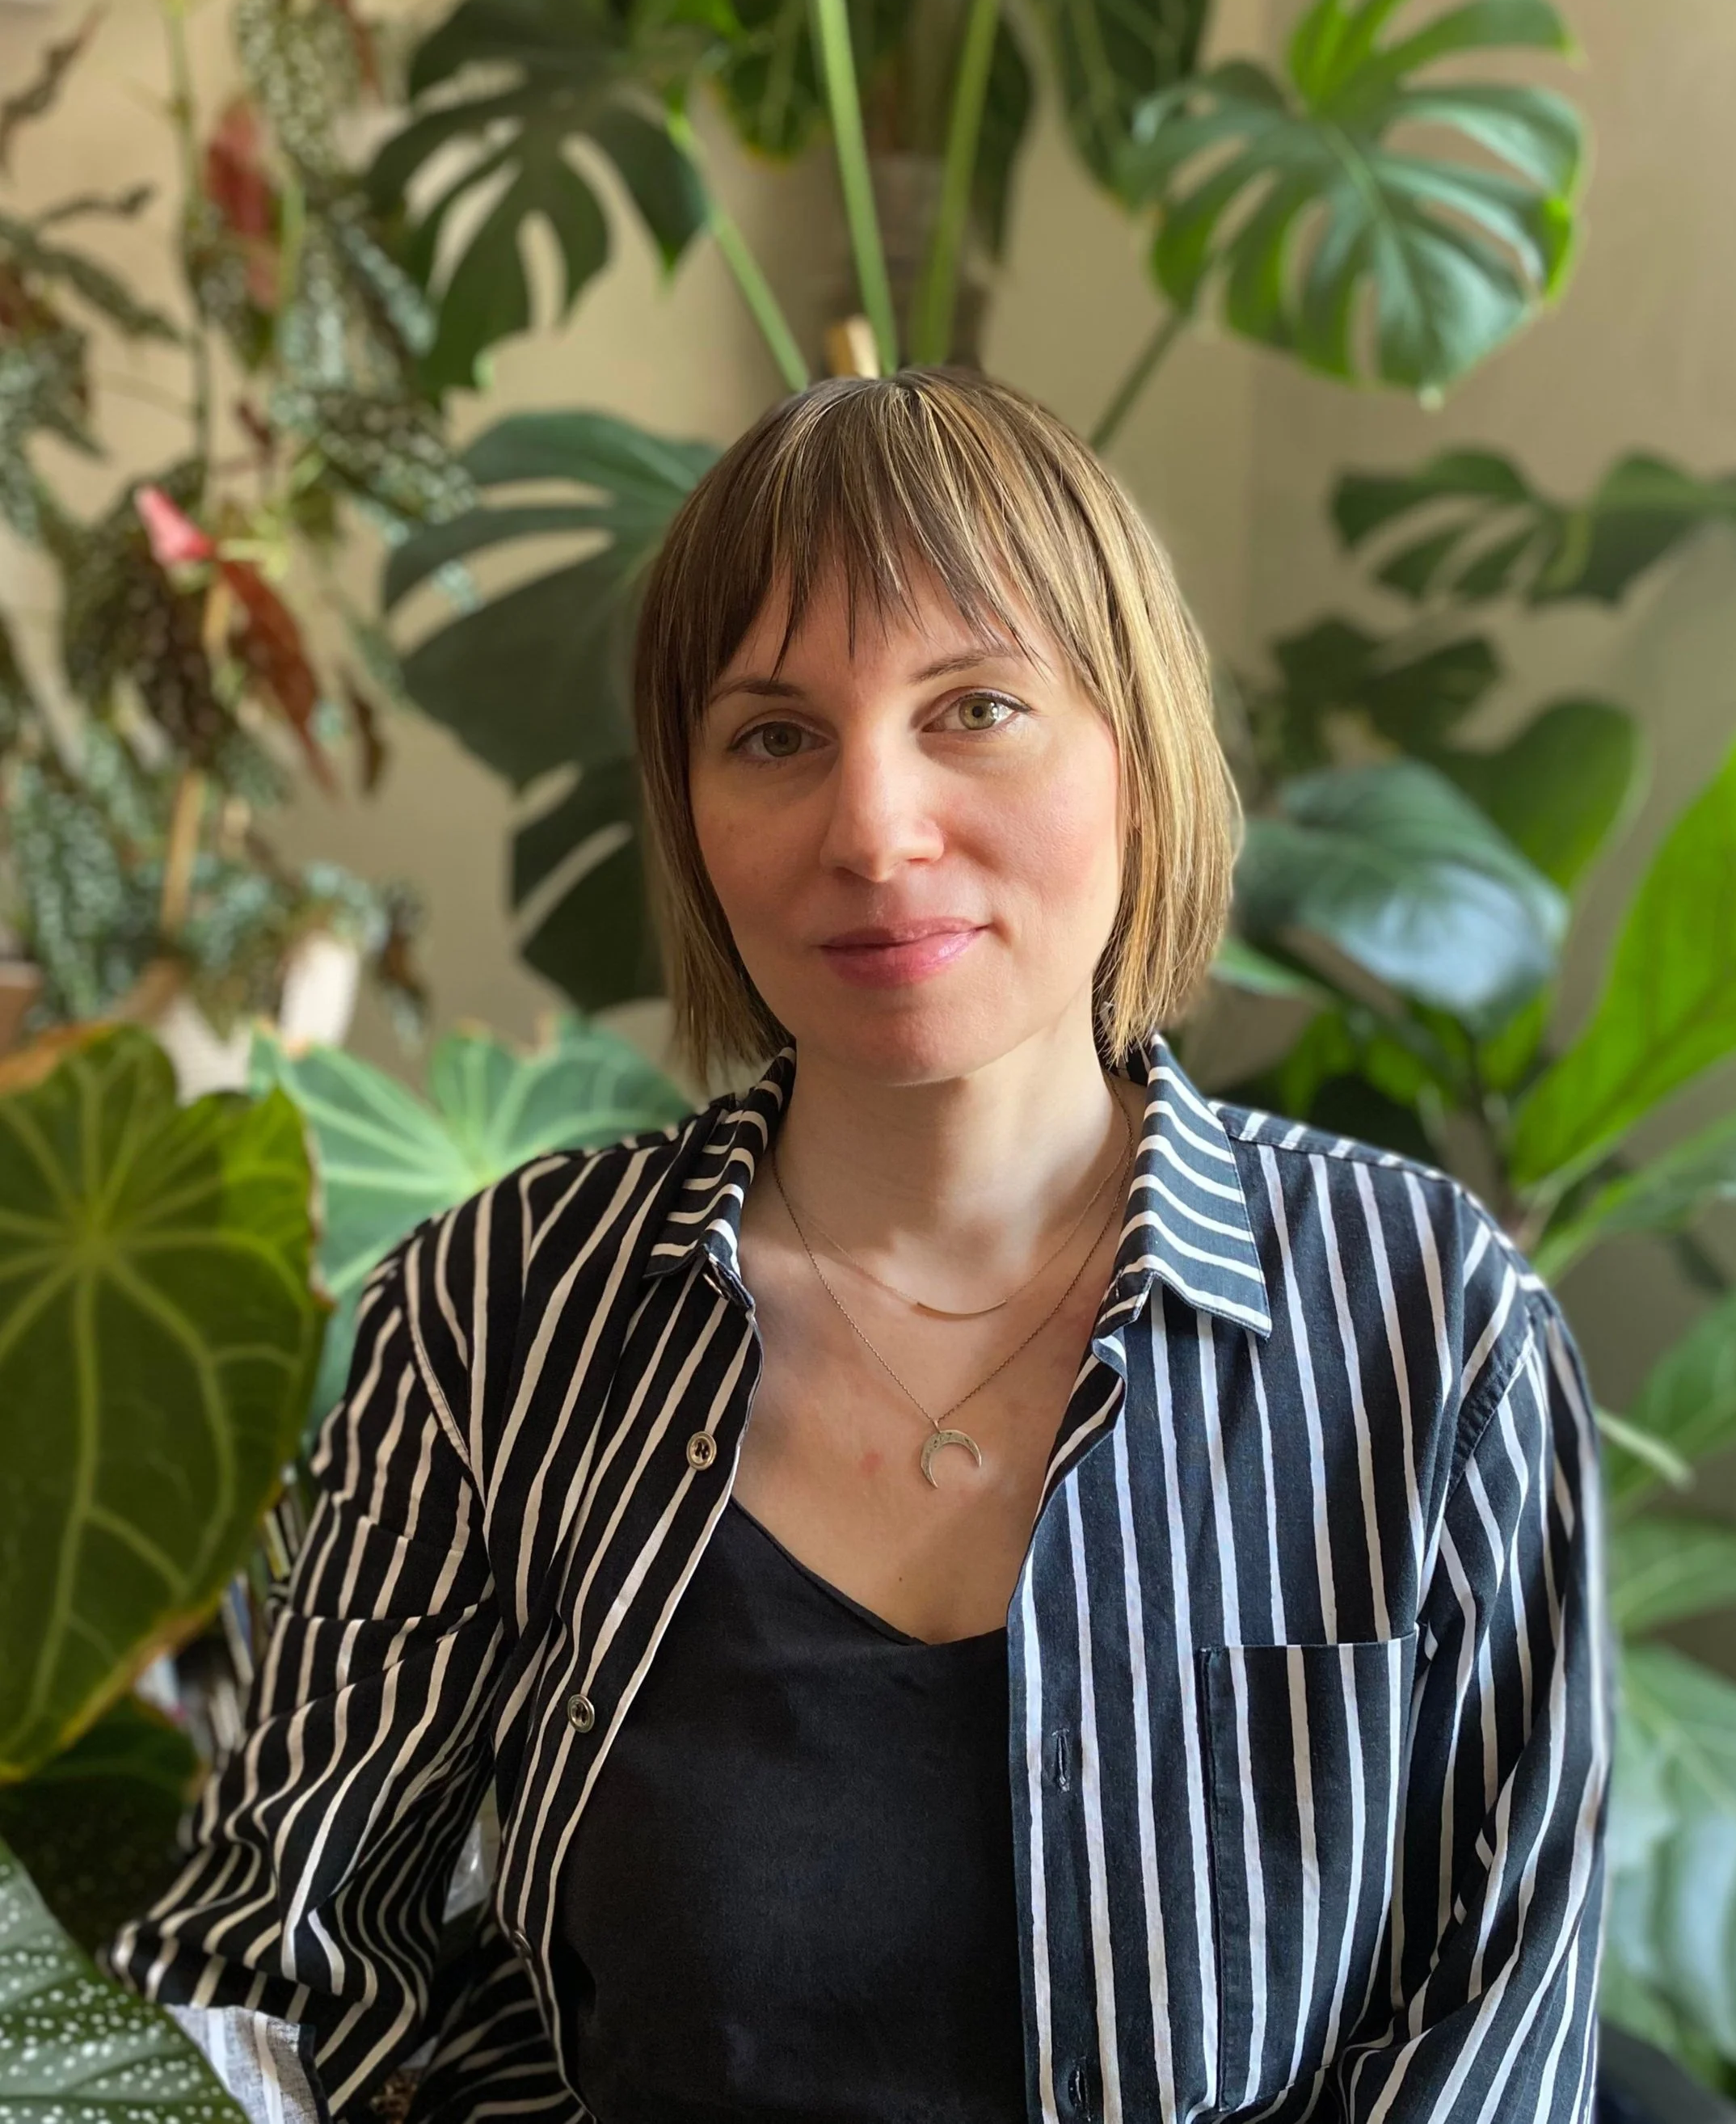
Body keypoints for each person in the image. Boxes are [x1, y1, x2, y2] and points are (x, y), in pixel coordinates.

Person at [112, 369, 1610, 2124]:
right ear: (692, 810)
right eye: (774, 735)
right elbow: (267, 1971)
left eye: (973, 707)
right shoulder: (500, 1321)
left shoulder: (1431, 1333)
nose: (875, 832)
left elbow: (1490, 2052)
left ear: (1137, 754)